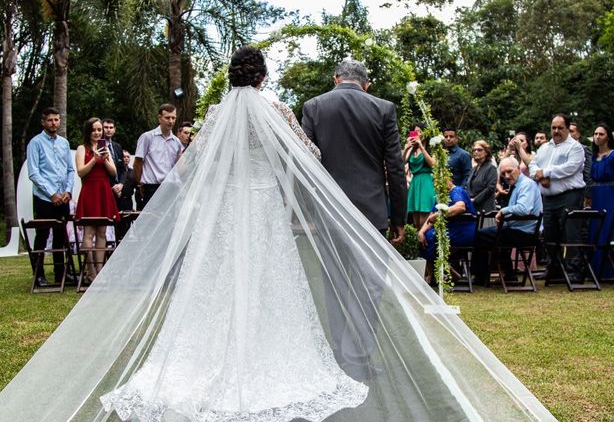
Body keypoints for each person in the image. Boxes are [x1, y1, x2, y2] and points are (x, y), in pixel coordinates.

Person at [0, 48, 558, 422]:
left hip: (227, 213)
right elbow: (308, 156)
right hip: (264, 208)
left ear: (235, 76)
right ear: (264, 77)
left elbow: (191, 166)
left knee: (219, 284)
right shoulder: (278, 111)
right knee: (268, 283)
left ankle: (204, 363)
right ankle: (279, 361)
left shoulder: (217, 115)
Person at [302, 58, 406, 242]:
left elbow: (306, 161)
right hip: (371, 212)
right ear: (366, 85)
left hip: (329, 210)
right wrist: (398, 218)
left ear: (336, 79)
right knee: (372, 272)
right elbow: (395, 168)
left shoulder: (313, 107)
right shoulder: (384, 109)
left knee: (332, 272)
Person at [529, 113, 585, 281]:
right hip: (549, 198)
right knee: (550, 234)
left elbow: (570, 168)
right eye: (553, 128)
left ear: (568, 128)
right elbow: (533, 164)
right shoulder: (544, 148)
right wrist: (538, 175)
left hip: (569, 196)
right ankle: (554, 268)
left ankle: (575, 271)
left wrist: (546, 172)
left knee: (571, 233)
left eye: (560, 128)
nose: (556, 131)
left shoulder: (575, 147)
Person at [26, 107, 75, 286]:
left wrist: (68, 191)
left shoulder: (64, 143)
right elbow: (34, 173)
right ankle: (38, 275)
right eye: (50, 120)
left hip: (63, 197)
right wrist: (51, 193)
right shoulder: (36, 143)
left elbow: (70, 170)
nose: (54, 123)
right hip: (44, 198)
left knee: (61, 236)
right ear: (43, 122)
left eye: (56, 120)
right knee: (42, 235)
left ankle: (61, 273)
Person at [473, 157, 543, 284]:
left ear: (518, 169)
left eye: (510, 171)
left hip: (526, 233)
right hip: (517, 229)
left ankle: (481, 277)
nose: (507, 176)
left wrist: (503, 211)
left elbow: (524, 208)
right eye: (503, 173)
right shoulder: (516, 185)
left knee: (482, 235)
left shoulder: (526, 184)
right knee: (492, 233)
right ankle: (508, 275)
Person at [75, 118, 121, 280]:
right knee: (88, 233)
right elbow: (80, 172)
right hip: (89, 190)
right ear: (88, 131)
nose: (97, 133)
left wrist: (106, 158)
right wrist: (94, 159)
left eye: (99, 130)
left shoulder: (105, 147)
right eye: (94, 130)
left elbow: (114, 173)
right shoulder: (82, 149)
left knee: (102, 232)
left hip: (103, 190)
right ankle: (90, 270)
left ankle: (100, 269)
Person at [418, 180, 477, 283]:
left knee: (431, 239)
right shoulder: (440, 196)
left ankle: (433, 276)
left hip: (463, 231)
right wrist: (421, 232)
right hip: (450, 232)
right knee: (424, 238)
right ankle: (437, 275)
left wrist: (440, 214)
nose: (437, 184)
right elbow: (431, 217)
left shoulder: (457, 192)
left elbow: (460, 207)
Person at [589, 123, 614, 278]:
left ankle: (612, 271)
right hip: (596, 195)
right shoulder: (593, 156)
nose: (598, 137)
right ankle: (596, 270)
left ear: (608, 137)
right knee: (596, 230)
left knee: (609, 229)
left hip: (610, 194)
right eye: (596, 134)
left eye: (601, 134)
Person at [133, 103, 182, 209]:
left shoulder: (177, 142)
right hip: (151, 187)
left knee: (169, 222)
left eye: (173, 118)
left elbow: (177, 166)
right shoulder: (147, 137)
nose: (171, 121)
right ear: (159, 118)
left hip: (170, 187)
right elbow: (137, 162)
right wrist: (139, 183)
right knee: (149, 221)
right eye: (167, 118)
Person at [403, 124, 436, 229]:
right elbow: (402, 162)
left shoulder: (432, 148)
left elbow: (433, 164)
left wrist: (421, 146)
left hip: (426, 183)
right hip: (415, 183)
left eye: (419, 131)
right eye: (415, 132)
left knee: (423, 222)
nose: (417, 134)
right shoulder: (412, 149)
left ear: (426, 134)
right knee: (416, 223)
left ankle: (427, 242)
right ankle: (419, 244)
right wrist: (407, 147)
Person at [465, 139, 497, 214]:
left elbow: (490, 188)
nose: (476, 152)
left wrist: (475, 199)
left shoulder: (491, 168)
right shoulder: (473, 169)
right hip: (473, 208)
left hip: (486, 210)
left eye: (479, 150)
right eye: (474, 150)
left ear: (486, 152)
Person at [569, 122, 593, 207]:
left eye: (571, 131)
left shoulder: (585, 149)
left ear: (578, 134)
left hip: (580, 194)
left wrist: (588, 195)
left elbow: (588, 173)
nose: (569, 134)